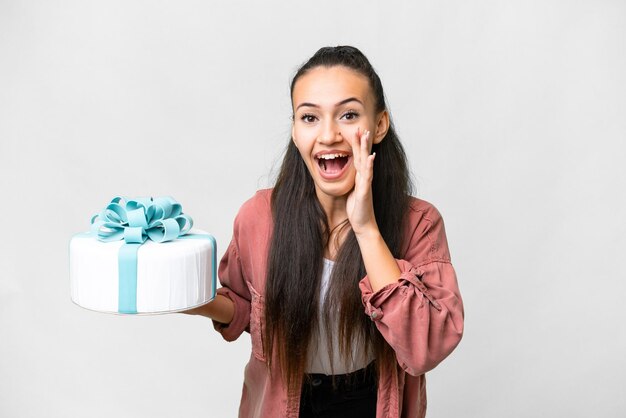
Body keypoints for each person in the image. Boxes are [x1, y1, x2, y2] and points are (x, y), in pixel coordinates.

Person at [182, 45, 464, 418]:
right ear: (296, 131)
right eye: (309, 118)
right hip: (284, 403)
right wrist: (185, 298)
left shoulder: (419, 224)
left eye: (348, 115)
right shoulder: (258, 217)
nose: (328, 134)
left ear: (379, 125)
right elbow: (247, 308)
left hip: (369, 402)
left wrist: (365, 228)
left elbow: (425, 347)